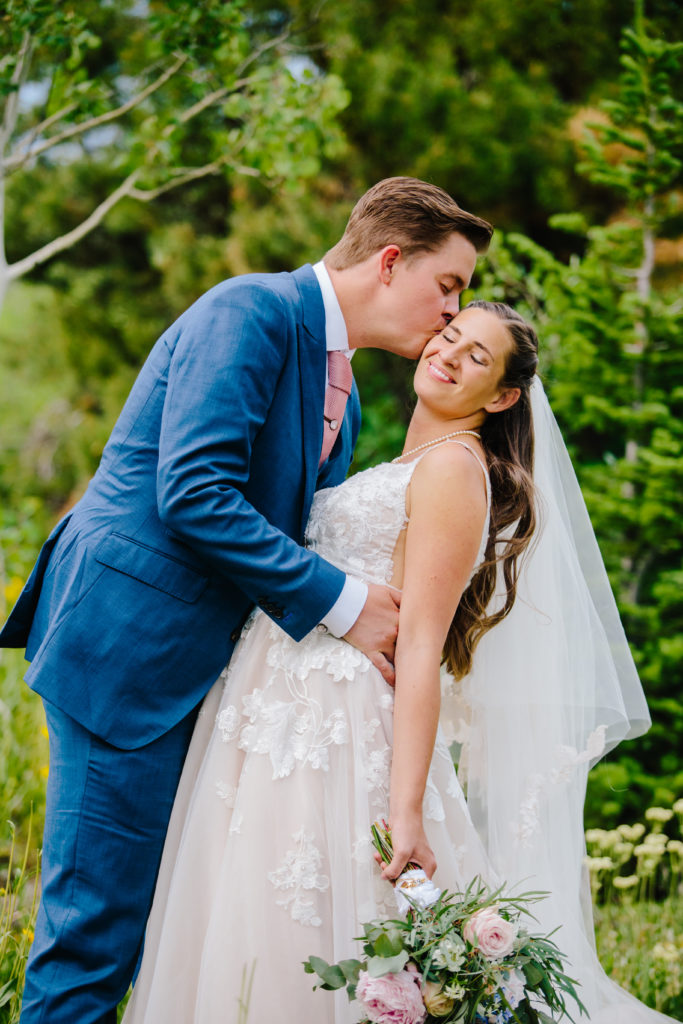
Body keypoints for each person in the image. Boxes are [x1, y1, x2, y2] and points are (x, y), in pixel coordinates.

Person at [0, 177, 494, 1024]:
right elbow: (192, 491)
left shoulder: (345, 382)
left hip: (212, 681)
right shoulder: (252, 312)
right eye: (447, 284)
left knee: (162, 928)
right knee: (93, 933)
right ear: (388, 262)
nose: (452, 312)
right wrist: (345, 603)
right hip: (130, 653)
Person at [121, 301, 670, 1023]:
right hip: (279, 720)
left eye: (476, 356)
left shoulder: (452, 469)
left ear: (502, 396)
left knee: (322, 929)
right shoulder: (407, 462)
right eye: (449, 335)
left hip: (339, 730)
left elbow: (420, 645)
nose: (447, 354)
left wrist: (404, 809)